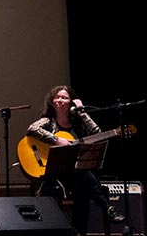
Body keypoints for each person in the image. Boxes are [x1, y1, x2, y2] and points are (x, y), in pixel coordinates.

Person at [26, 85, 125, 236]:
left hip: (74, 173)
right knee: (84, 176)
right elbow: (32, 129)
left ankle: (78, 231)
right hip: (54, 172)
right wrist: (56, 140)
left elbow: (96, 132)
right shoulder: (47, 121)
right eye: (57, 97)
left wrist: (82, 112)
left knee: (82, 182)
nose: (59, 100)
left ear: (71, 102)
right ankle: (106, 208)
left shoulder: (77, 123)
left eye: (64, 97)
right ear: (52, 102)